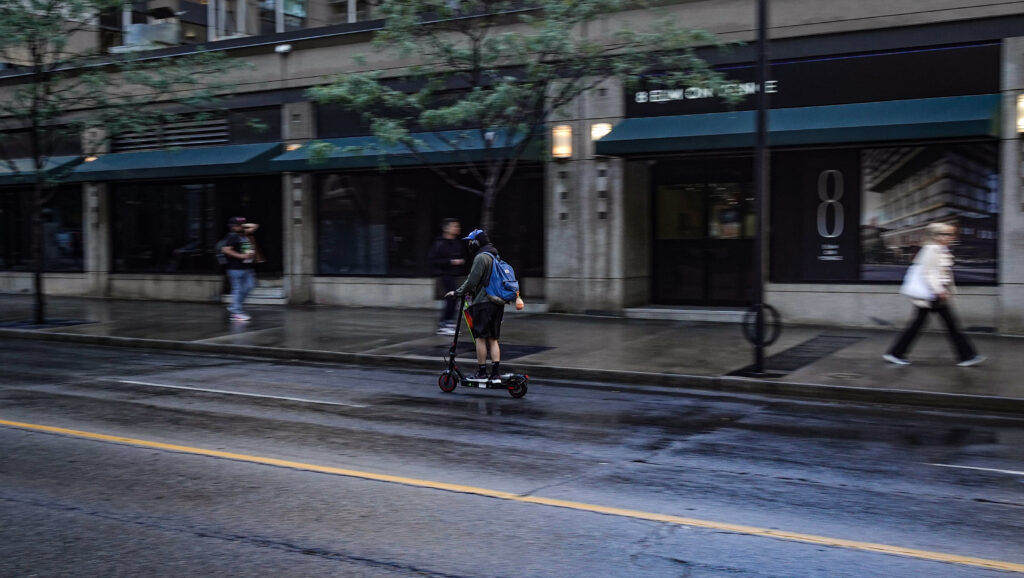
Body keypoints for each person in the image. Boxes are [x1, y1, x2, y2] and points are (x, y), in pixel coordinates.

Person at [884, 222, 985, 367]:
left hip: (934, 296)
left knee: (922, 324)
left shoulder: (941, 249)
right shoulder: (932, 249)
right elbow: (929, 273)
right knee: (950, 326)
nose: (951, 237)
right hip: (933, 296)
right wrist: (939, 290)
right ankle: (967, 356)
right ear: (937, 236)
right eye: (947, 234)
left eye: (951, 234)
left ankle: (896, 353)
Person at [446, 228, 505, 382]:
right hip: (497, 302)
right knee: (493, 338)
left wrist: (457, 292)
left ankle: (482, 373)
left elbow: (472, 280)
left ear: (477, 242)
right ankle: (495, 374)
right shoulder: (495, 256)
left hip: (484, 303)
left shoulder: (481, 257)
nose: (470, 244)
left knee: (480, 337)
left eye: (471, 241)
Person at [428, 218, 467, 335]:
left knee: (454, 300)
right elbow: (433, 260)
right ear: (446, 228)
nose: (457, 229)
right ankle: (443, 324)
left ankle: (448, 322)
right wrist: (451, 262)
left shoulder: (456, 243)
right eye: (454, 226)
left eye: (457, 226)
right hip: (443, 274)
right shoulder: (439, 243)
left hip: (454, 274)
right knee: (451, 298)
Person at [220, 216, 257, 322]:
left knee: (250, 286)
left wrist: (243, 226)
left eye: (243, 224)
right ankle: (236, 313)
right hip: (236, 268)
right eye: (239, 225)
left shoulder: (244, 234)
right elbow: (226, 250)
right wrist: (241, 256)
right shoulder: (232, 236)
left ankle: (234, 306)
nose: (242, 226)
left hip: (247, 266)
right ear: (233, 227)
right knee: (238, 289)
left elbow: (255, 226)